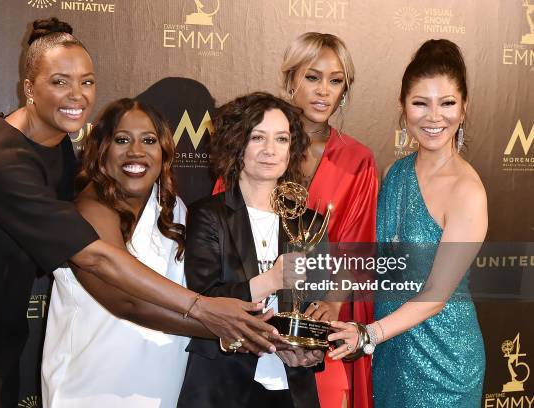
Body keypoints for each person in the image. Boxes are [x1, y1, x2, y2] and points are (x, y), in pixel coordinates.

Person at [0, 18, 276, 406]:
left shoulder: (56, 144)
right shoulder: (0, 160)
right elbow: (96, 258)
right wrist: (202, 309)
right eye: (59, 82)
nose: (77, 95)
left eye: (86, 82)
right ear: (29, 88)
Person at [214, 32, 378, 408]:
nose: (324, 91)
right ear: (290, 81)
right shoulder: (253, 144)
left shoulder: (358, 160)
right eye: (312, 77)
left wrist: (334, 303)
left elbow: (356, 244)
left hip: (320, 317)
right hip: (252, 311)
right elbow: (223, 225)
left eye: (336, 81)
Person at [328, 39, 487, 407]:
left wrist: (368, 334)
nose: (435, 117)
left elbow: (436, 294)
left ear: (464, 109)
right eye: (421, 103)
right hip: (389, 356)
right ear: (402, 108)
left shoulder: (467, 192)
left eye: (447, 103)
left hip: (444, 365)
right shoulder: (395, 173)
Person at [178, 92, 325, 408]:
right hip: (222, 383)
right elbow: (202, 298)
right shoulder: (208, 214)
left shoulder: (310, 223)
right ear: (236, 144)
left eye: (282, 139)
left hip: (290, 387)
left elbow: (311, 310)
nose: (271, 150)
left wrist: (312, 352)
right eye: (258, 137)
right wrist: (270, 280)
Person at [42, 98, 191, 407]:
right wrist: (224, 327)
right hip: (88, 391)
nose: (136, 151)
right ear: (101, 150)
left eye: (149, 140)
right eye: (122, 140)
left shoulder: (173, 209)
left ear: (164, 151)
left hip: (162, 390)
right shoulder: (85, 211)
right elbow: (129, 302)